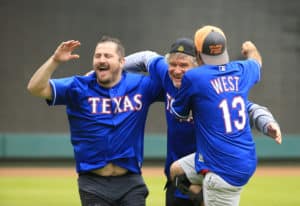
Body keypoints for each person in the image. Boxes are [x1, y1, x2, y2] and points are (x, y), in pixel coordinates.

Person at [123, 38, 282, 206]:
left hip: (211, 168)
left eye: (184, 66)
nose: (177, 70)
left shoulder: (206, 84)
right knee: (175, 172)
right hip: (180, 177)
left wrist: (266, 122)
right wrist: (115, 67)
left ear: (198, 66)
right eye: (173, 64)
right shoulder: (167, 75)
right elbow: (146, 58)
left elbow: (247, 107)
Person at [27, 36, 164, 206]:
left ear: (122, 62)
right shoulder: (79, 87)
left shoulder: (141, 85)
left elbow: (174, 83)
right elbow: (35, 88)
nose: (101, 60)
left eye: (107, 56)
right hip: (93, 184)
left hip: (131, 182)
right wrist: (55, 60)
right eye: (97, 56)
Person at [170, 25, 282, 206]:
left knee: (213, 185)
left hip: (223, 169)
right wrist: (251, 49)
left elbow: (178, 112)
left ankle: (208, 197)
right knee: (177, 171)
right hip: (244, 157)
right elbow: (256, 62)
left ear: (198, 54)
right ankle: (202, 197)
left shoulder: (195, 77)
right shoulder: (242, 69)